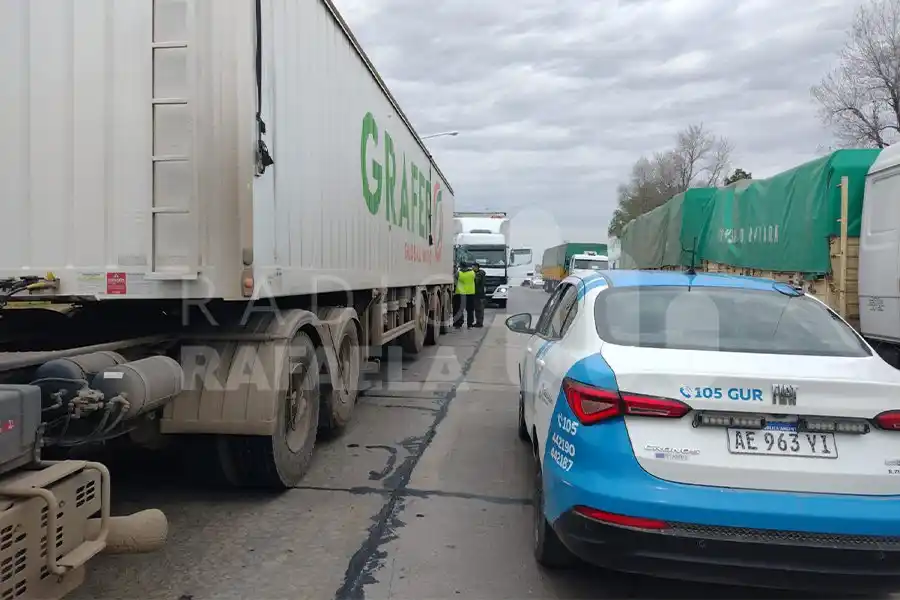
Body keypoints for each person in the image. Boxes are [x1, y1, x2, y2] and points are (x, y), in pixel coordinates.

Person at [454, 262, 476, 328]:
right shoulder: (472, 273)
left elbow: (454, 280)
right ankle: (470, 324)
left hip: (460, 294)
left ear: (461, 266)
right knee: (470, 310)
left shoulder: (458, 273)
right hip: (470, 294)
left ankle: (458, 324)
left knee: (459, 309)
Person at [472, 263, 486, 328]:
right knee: (477, 309)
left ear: (477, 267)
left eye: (473, 267)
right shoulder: (477, 273)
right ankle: (478, 322)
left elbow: (477, 282)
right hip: (476, 294)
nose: (472, 268)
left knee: (479, 309)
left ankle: (480, 323)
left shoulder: (480, 274)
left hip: (479, 294)